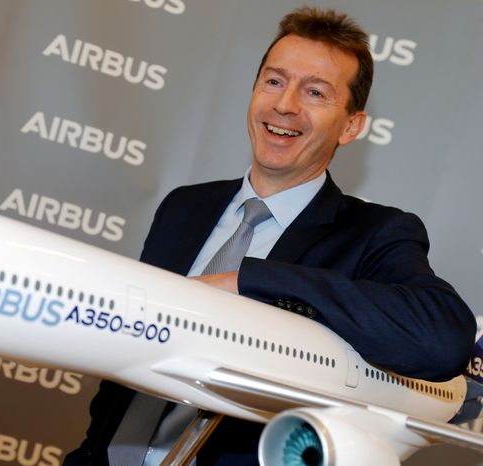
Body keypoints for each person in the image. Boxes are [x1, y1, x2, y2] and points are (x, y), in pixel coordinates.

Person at [63, 6, 475, 466]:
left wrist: (248, 281)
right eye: (274, 81)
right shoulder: (185, 207)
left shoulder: (374, 234)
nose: (285, 105)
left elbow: (443, 339)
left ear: (352, 125)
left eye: (315, 92)